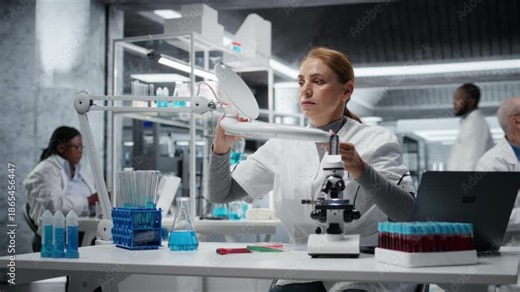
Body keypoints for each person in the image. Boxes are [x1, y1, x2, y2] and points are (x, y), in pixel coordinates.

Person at [208, 47, 416, 291]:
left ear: (346, 90)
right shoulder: (282, 142)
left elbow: (408, 214)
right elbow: (221, 194)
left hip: (362, 267)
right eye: (301, 82)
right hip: (301, 266)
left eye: (317, 81)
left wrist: (362, 170)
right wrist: (220, 151)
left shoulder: (377, 140)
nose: (305, 90)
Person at [24, 126, 99, 251]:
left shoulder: (80, 172)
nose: (80, 151)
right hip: (55, 240)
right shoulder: (44, 171)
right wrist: (89, 200)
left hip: (83, 234)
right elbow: (55, 206)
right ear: (61, 148)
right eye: (76, 147)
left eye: (82, 147)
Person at [447, 83, 494, 171]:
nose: (454, 103)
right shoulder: (469, 122)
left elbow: (472, 161)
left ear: (471, 101)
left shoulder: (475, 124)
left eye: (458, 99)